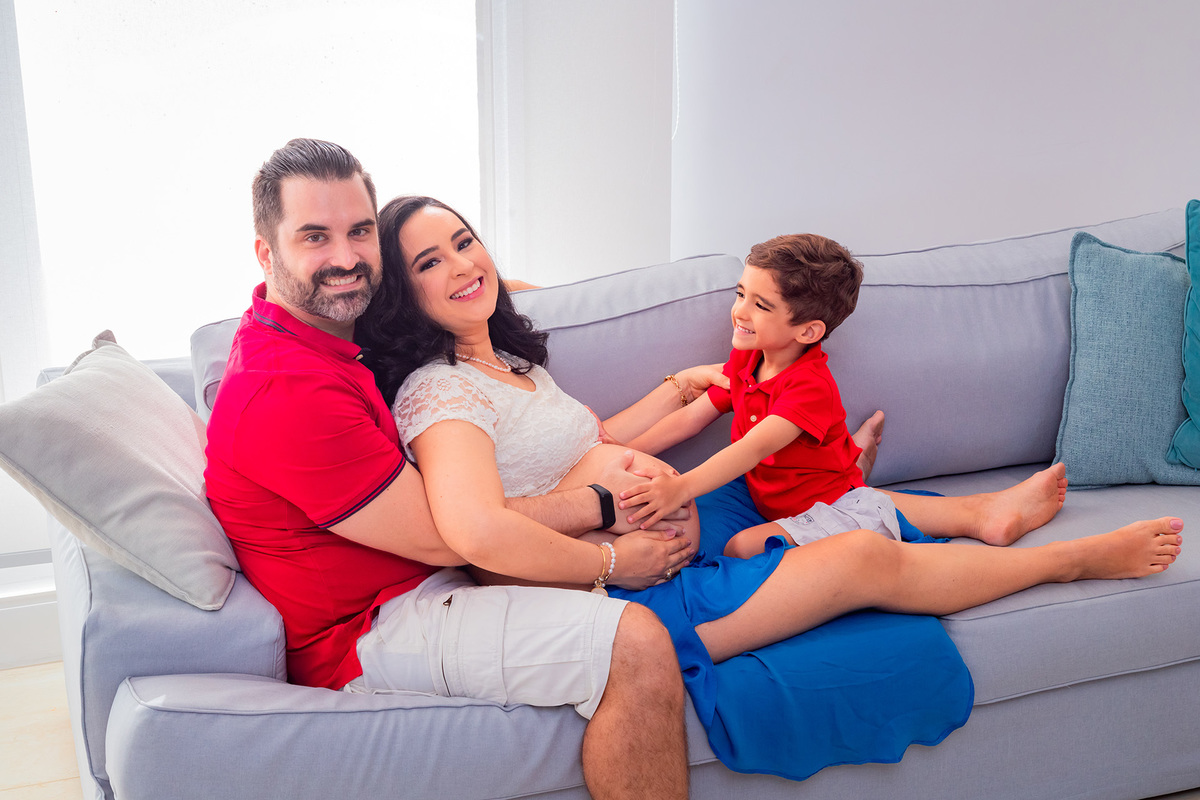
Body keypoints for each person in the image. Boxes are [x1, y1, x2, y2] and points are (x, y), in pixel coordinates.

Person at [357, 193, 1183, 779]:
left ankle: (972, 515)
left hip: (666, 542)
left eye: (465, 241)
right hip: (621, 590)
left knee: (812, 504)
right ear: (402, 291)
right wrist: (616, 556)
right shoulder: (441, 396)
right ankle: (1067, 561)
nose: (462, 264)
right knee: (858, 555)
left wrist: (679, 388)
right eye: (430, 261)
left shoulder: (507, 363)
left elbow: (594, 445)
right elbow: (481, 534)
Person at [203, 139, 696, 799]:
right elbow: (453, 535)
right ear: (267, 253)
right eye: (315, 237)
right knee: (632, 644)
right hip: (376, 625)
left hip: (432, 578)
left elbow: (448, 300)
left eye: (359, 232)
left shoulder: (322, 333)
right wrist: (606, 533)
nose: (345, 258)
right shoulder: (284, 388)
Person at [615, 232, 1070, 559]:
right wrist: (618, 451)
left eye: (760, 304)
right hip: (779, 494)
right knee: (832, 485)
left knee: (745, 547)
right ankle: (855, 454)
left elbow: (751, 449)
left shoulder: (809, 387)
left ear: (808, 331)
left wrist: (681, 487)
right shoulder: (748, 357)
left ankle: (986, 513)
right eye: (741, 294)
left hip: (826, 503)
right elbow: (692, 417)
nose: (739, 312)